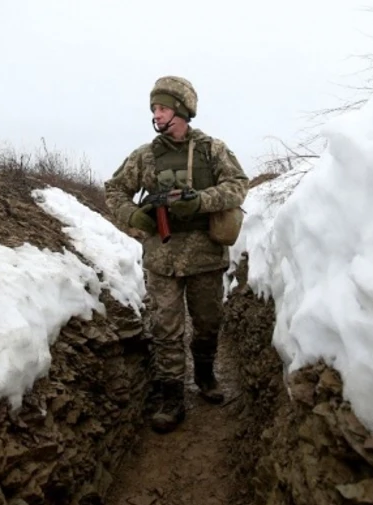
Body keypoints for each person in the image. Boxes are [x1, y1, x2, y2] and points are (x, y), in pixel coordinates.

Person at [104, 76, 249, 433]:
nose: (157, 113)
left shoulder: (212, 150)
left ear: (182, 110)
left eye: (164, 107)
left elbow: (238, 186)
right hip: (162, 259)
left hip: (206, 257)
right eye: (154, 107)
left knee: (208, 323)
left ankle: (205, 375)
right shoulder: (144, 156)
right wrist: (133, 216)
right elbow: (114, 190)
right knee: (166, 329)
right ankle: (171, 396)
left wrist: (200, 201)